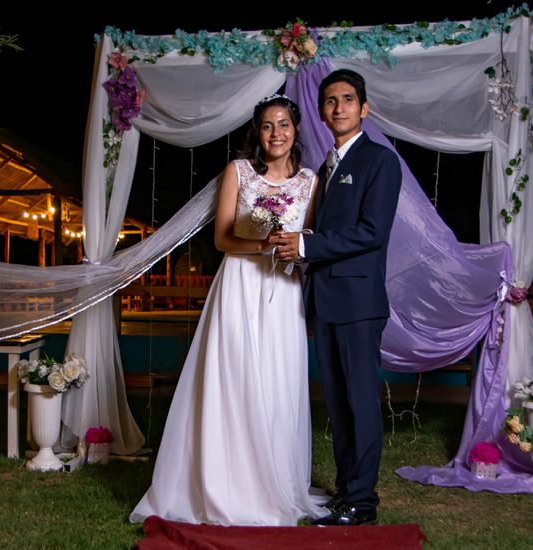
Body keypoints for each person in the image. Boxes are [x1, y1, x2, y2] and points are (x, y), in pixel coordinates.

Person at [130, 94, 327, 526]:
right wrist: (263, 244)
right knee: (233, 377)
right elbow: (221, 239)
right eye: (267, 126)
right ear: (258, 133)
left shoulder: (311, 181)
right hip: (239, 284)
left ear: (295, 130)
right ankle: (225, 482)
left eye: (284, 125)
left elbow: (308, 237)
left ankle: (274, 480)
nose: (276, 133)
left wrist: (294, 250)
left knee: (278, 380)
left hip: (282, 291)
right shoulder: (238, 172)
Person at [272, 68, 402, 526]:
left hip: (358, 304)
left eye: (348, 99)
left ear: (364, 109)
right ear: (322, 112)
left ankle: (363, 503)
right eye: (330, 101)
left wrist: (306, 246)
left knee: (361, 403)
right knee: (339, 404)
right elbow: (328, 229)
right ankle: (347, 491)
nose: (339, 107)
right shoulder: (328, 165)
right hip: (326, 301)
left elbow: (371, 232)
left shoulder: (379, 161)